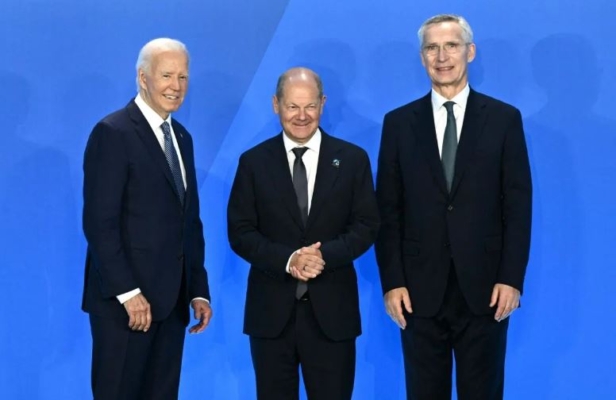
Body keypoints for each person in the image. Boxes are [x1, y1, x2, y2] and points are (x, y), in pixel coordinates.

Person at [375, 14, 532, 400]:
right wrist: (392, 281)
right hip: (417, 292)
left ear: (470, 52)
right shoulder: (397, 124)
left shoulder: (503, 119)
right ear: (422, 56)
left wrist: (511, 278)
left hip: (486, 290)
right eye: (432, 47)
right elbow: (387, 210)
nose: (441, 56)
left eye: (451, 46)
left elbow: (517, 204)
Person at [227, 67, 380, 400]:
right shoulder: (253, 163)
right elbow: (240, 232)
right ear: (276, 105)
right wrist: (290, 259)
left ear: (323, 104)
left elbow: (367, 225)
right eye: (292, 106)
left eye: (309, 106)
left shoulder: (352, 160)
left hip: (333, 316)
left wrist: (323, 256)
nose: (301, 116)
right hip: (271, 318)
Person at [82, 38, 213, 400]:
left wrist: (197, 288)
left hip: (170, 307)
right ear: (143, 78)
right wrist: (129, 293)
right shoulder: (113, 132)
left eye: (183, 77)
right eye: (167, 75)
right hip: (126, 308)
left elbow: (190, 221)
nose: (176, 86)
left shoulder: (182, 137)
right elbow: (99, 222)